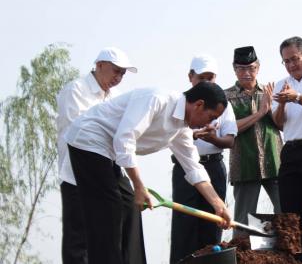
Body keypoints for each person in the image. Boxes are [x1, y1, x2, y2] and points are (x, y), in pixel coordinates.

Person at [65, 82, 232, 264]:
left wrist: (218, 205)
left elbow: (193, 167)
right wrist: (138, 185)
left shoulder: (181, 129)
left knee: (129, 205)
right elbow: (125, 139)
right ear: (199, 105)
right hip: (88, 138)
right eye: (211, 117)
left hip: (108, 150)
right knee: (110, 211)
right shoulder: (156, 99)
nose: (210, 124)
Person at [56, 47, 145, 264]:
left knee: (130, 207)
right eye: (116, 71)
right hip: (78, 171)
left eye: (123, 74)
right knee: (80, 235)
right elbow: (79, 134)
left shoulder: (114, 97)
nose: (119, 78)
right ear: (99, 66)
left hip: (110, 169)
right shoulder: (76, 90)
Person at [170, 55, 237, 263]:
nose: (207, 82)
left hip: (213, 166)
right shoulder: (179, 104)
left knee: (212, 224)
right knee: (184, 225)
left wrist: (213, 137)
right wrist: (192, 135)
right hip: (185, 167)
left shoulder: (222, 104)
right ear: (191, 77)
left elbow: (230, 139)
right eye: (202, 77)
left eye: (211, 77)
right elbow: (173, 139)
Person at [224, 46, 282, 237]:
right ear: (234, 69)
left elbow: (282, 124)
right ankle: (242, 256)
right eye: (241, 68)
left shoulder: (271, 92)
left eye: (251, 68)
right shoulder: (226, 97)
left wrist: (279, 104)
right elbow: (230, 128)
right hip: (244, 166)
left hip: (275, 163)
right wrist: (259, 113)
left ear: (258, 68)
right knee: (242, 221)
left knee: (287, 214)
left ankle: (291, 256)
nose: (247, 73)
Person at [272, 36, 302, 261]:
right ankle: (297, 256)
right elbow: (279, 123)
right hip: (290, 147)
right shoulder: (281, 84)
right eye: (286, 61)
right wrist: (282, 102)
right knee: (290, 204)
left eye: (294, 59)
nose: (291, 65)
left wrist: (297, 97)